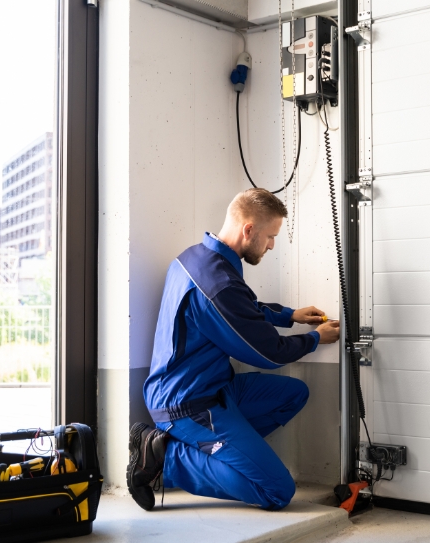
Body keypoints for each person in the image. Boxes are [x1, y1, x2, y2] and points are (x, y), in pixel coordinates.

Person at [127, 188, 340, 511]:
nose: (271, 245)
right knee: (277, 491)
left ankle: (222, 455)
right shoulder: (217, 284)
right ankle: (166, 458)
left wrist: (289, 315)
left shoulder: (196, 258)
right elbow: (269, 353)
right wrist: (314, 339)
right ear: (249, 230)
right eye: (270, 236)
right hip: (187, 404)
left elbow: (242, 309)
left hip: (215, 388)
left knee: (293, 394)